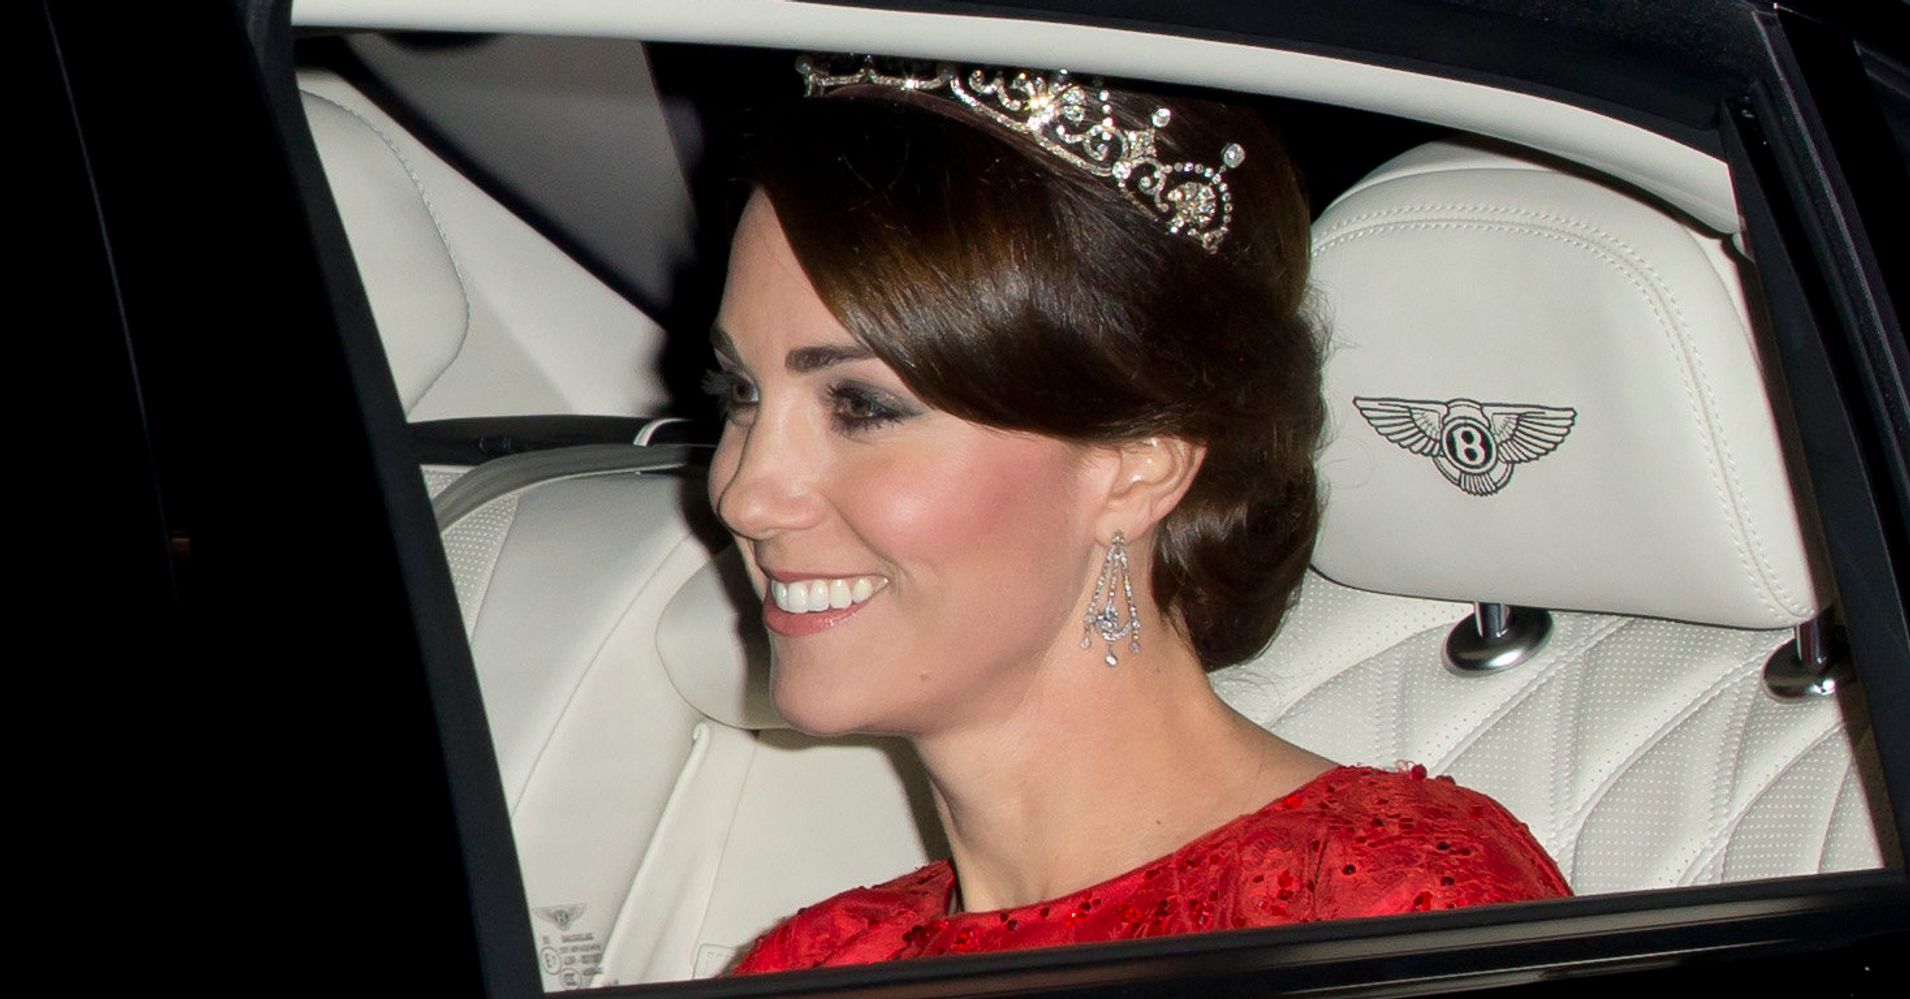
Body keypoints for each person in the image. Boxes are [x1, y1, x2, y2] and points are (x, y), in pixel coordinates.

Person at [703, 56, 1569, 974]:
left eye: (862, 407)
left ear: (1137, 467)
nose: (746, 493)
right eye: (740, 391)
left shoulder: (1377, 910)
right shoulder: (814, 962)